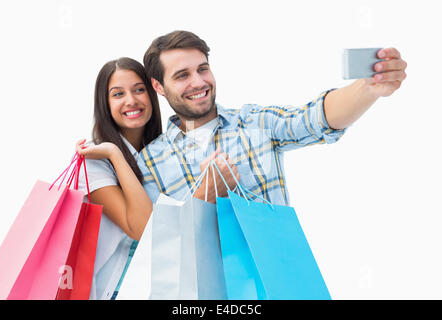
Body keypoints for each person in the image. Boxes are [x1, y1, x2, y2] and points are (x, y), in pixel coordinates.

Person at [139, 30, 407, 207]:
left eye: (202, 69)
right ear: (159, 86)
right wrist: (203, 197)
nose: (198, 82)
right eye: (182, 75)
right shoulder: (149, 163)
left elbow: (314, 119)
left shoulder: (255, 122)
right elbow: (156, 245)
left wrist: (367, 89)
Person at [75, 57, 239, 299]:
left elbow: (182, 229)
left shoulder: (163, 154)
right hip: (116, 290)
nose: (131, 100)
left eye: (139, 90)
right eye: (118, 94)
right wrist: (115, 154)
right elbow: (141, 228)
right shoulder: (94, 161)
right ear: (104, 103)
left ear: (152, 94)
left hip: (165, 287)